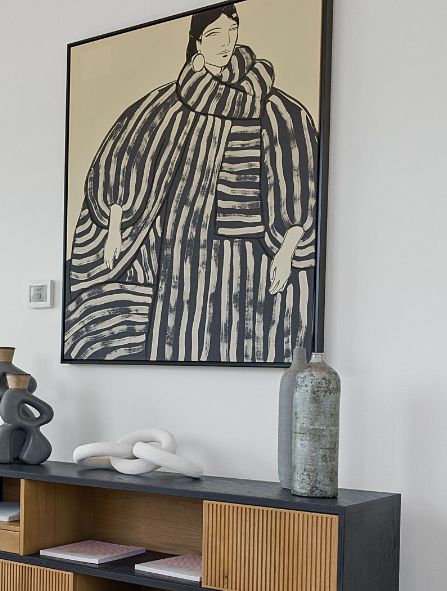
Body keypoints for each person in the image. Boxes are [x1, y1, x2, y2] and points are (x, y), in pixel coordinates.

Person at [64, 4, 319, 363]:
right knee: (182, 330)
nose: (225, 43)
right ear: (197, 43)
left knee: (248, 333)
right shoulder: (170, 102)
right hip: (186, 247)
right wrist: (116, 223)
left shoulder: (275, 106)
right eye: (214, 35)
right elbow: (130, 152)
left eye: (231, 31)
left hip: (250, 253)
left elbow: (300, 170)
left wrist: (289, 244)